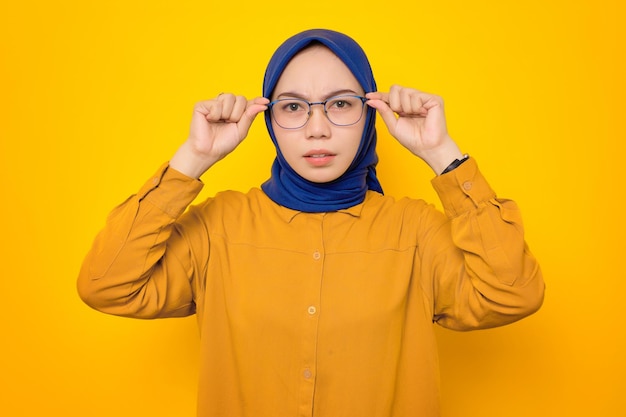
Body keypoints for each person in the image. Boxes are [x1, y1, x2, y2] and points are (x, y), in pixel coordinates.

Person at [77, 28, 545, 417]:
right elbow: (107, 284)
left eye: (340, 104)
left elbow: (512, 293)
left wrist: (442, 153)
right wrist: (193, 158)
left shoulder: (415, 231)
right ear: (269, 120)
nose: (317, 128)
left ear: (370, 114)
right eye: (294, 107)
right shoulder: (219, 227)